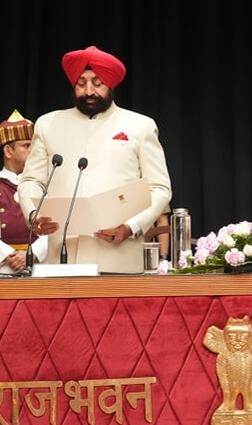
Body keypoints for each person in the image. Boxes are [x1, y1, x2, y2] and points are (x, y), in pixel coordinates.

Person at [18, 45, 172, 273]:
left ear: (110, 84)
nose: (89, 91)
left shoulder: (140, 126)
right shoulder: (48, 124)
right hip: (61, 258)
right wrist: (35, 215)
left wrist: (131, 226)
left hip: (119, 258)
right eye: (81, 83)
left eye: (97, 83)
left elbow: (159, 188)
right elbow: (31, 180)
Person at [0, 110, 47, 273]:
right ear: (8, 151)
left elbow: (58, 226)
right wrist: (8, 255)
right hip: (5, 268)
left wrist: (32, 254)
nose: (33, 150)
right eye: (26, 145)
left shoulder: (46, 184)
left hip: (39, 266)